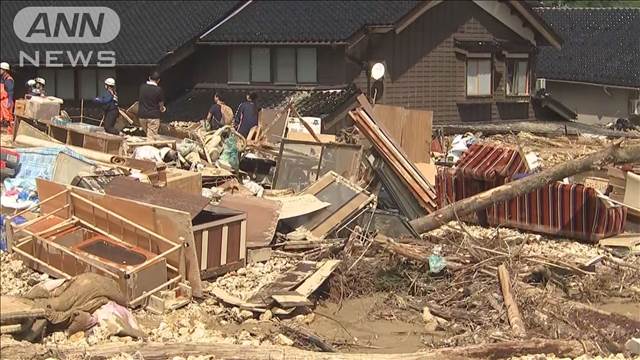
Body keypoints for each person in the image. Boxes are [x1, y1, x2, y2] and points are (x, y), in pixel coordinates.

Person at [138, 71, 165, 139]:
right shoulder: (158, 90)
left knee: (148, 135)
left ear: (149, 78)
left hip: (142, 116)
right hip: (153, 117)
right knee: (151, 138)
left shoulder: (142, 87)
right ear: (158, 80)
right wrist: (162, 109)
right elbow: (161, 104)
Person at [0, 62, 15, 129]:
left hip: (6, 100)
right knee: (1, 118)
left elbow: (10, 91)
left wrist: (9, 101)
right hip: (2, 101)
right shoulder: (2, 79)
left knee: (8, 118)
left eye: (1, 69)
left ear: (5, 70)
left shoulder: (8, 80)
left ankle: (10, 133)